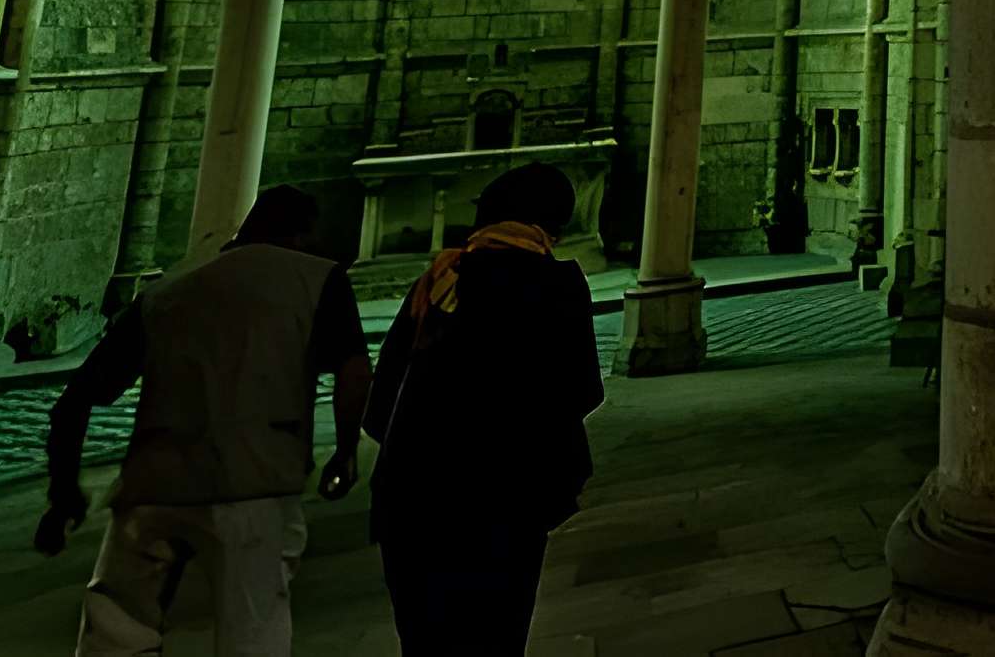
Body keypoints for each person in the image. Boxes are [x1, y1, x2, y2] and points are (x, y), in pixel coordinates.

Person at [38, 184, 371, 657]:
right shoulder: (316, 278)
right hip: (256, 481)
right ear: (304, 234)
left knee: (116, 629)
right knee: (253, 629)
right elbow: (355, 372)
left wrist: (63, 495)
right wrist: (344, 451)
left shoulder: (165, 293)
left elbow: (77, 399)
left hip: (153, 486)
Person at [365, 161, 604, 653]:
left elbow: (381, 401)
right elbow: (582, 389)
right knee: (496, 634)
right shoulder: (556, 283)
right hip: (506, 497)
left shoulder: (438, 279)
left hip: (412, 498)